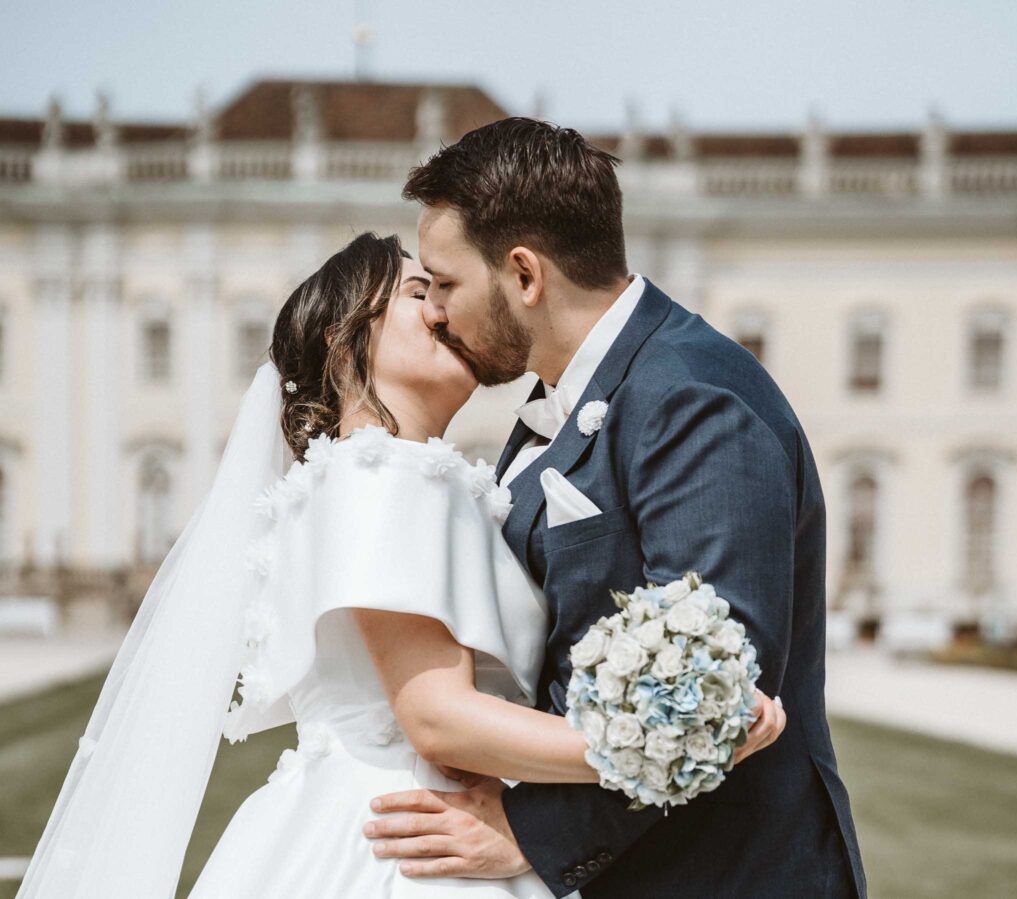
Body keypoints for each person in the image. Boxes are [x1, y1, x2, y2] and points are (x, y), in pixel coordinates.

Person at [16, 232, 784, 899]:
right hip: (400, 840)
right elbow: (436, 716)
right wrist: (672, 742)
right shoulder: (377, 473)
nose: (447, 308)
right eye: (422, 291)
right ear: (347, 340)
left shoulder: (404, 474)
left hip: (418, 823)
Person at [365, 118, 868, 898]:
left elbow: (711, 685)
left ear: (525, 276)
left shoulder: (691, 397)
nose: (436, 312)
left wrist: (529, 831)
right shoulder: (563, 398)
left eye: (448, 282)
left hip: (728, 875)